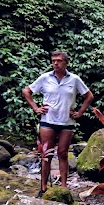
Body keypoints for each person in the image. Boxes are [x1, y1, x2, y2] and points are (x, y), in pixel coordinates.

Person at [22, 51, 94, 197]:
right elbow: (26, 91)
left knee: (62, 153)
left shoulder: (74, 79)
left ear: (65, 63)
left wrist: (79, 113)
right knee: (46, 154)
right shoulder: (45, 78)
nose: (55, 63)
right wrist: (36, 108)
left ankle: (63, 187)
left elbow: (89, 96)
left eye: (59, 61)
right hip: (48, 121)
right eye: (53, 60)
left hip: (67, 122)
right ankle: (43, 188)